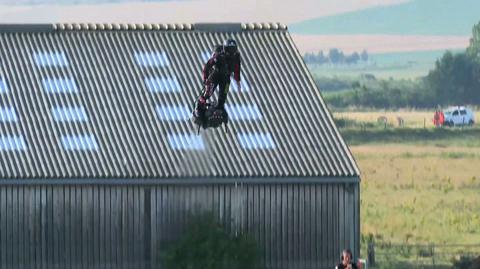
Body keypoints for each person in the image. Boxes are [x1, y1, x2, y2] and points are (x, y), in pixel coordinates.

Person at [194, 38, 241, 119]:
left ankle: (220, 108)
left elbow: (237, 69)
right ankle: (199, 106)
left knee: (223, 94)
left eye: (233, 49)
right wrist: (205, 79)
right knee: (208, 91)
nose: (231, 52)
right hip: (215, 75)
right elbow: (207, 66)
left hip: (226, 78)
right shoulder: (219, 56)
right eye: (230, 49)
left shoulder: (236, 57)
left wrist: (238, 82)